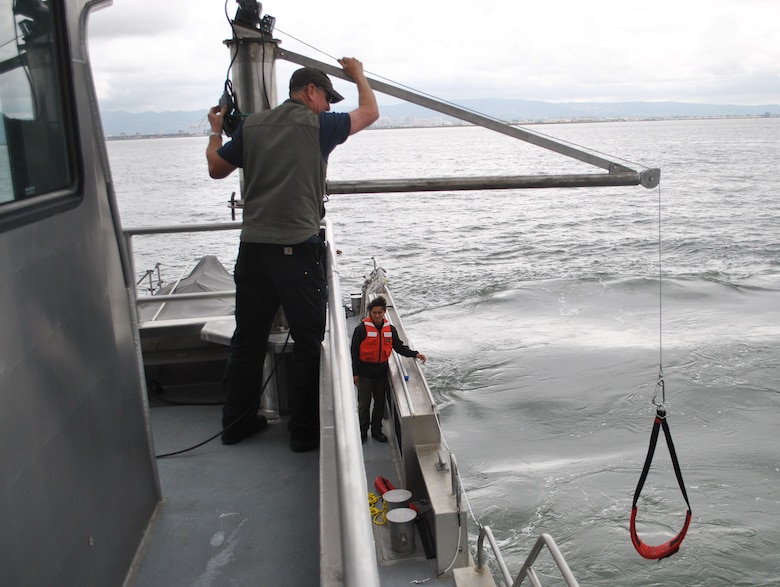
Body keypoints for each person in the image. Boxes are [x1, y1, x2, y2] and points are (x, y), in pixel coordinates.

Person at [206, 58, 379, 451]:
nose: (329, 107)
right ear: (310, 92)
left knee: (247, 338)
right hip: (296, 251)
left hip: (253, 249)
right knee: (306, 340)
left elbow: (217, 168)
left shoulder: (252, 126)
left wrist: (216, 132)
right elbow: (370, 111)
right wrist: (358, 75)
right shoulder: (319, 126)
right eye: (326, 98)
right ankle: (303, 434)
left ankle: (235, 425)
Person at [351, 296, 427, 443]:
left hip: (381, 373)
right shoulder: (360, 329)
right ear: (370, 313)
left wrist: (415, 354)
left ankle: (376, 430)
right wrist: (355, 373)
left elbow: (398, 347)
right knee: (364, 404)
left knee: (379, 403)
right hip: (365, 373)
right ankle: (362, 432)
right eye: (374, 313)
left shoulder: (390, 330)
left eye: (380, 312)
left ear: (384, 312)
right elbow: (353, 352)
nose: (377, 315)